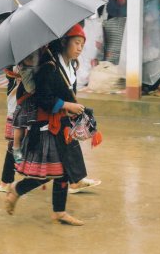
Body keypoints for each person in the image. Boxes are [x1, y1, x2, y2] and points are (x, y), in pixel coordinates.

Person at [5, 24, 98, 225]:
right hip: (45, 125)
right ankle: (16, 190)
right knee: (46, 173)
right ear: (64, 42)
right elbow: (42, 98)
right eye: (76, 43)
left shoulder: (71, 66)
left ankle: (59, 212)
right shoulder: (49, 67)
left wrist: (71, 108)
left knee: (65, 169)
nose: (80, 48)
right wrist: (67, 105)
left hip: (62, 123)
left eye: (82, 44)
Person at [12, 50, 40, 163]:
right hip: (25, 101)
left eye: (34, 56)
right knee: (20, 125)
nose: (32, 59)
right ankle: (16, 147)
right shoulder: (25, 70)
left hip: (32, 101)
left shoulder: (36, 66)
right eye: (29, 58)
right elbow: (30, 88)